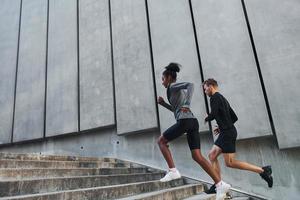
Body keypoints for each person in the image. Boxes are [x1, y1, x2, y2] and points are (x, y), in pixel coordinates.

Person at [157, 63, 230, 199]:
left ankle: (173, 170)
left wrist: (186, 104)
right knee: (197, 156)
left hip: (185, 122)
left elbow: (190, 85)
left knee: (161, 141)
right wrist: (163, 104)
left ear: (168, 77)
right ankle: (220, 184)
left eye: (162, 79)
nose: (162, 82)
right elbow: (177, 110)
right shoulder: (172, 91)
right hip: (192, 122)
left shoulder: (173, 86)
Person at [202, 78, 273, 194]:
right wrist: (221, 126)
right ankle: (217, 184)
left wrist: (207, 117)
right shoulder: (223, 99)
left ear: (211, 86)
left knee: (230, 163)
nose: (205, 92)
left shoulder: (214, 97)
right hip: (226, 131)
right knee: (212, 155)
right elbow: (234, 117)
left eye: (205, 89)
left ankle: (262, 171)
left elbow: (214, 113)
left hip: (227, 133)